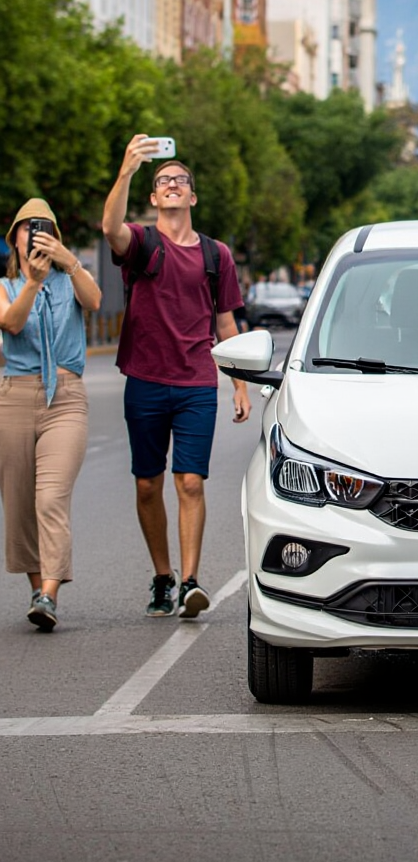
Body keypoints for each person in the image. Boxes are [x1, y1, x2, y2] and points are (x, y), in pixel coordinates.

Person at [102, 136, 251, 619]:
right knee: (148, 484)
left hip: (196, 384)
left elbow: (226, 322)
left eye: (179, 181)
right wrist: (126, 169)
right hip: (144, 379)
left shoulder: (216, 255)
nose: (171, 186)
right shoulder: (142, 242)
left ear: (192, 197)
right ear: (153, 198)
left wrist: (241, 382)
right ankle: (162, 576)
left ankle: (190, 581)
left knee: (190, 482)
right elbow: (109, 228)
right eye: (162, 181)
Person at [0, 198, 102, 631]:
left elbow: (95, 301)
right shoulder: (5, 287)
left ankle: (50, 592)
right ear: (14, 240)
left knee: (50, 498)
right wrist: (32, 283)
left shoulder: (70, 279)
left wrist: (70, 263)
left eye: (43, 228)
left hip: (66, 397)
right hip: (14, 396)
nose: (35, 234)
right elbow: (12, 324)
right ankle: (38, 589)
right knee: (21, 506)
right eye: (26, 228)